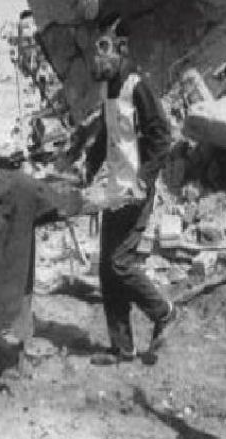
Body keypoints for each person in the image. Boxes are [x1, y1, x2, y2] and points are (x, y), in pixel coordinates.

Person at [64, 15, 177, 366]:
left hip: (136, 191)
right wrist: (87, 169)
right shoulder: (109, 89)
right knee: (106, 270)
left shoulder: (137, 87)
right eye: (95, 49)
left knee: (120, 262)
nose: (96, 57)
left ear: (121, 49)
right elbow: (106, 137)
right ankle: (122, 347)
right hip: (116, 190)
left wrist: (145, 179)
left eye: (103, 48)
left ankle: (163, 312)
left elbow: (162, 136)